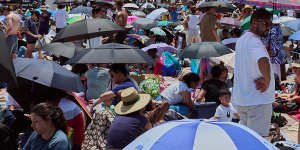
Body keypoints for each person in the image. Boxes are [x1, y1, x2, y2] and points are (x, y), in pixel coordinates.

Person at [232, 8, 274, 137]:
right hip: (258, 101)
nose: (268, 28)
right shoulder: (255, 42)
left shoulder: (242, 39)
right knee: (256, 142)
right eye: (266, 24)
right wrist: (266, 81)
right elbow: (263, 60)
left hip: (243, 100)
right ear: (255, 22)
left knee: (245, 141)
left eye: (270, 25)